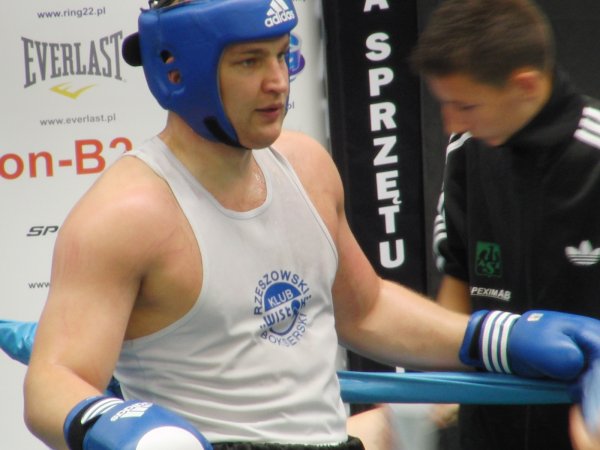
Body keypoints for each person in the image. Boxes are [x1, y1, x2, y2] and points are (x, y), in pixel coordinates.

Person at [21, 1, 600, 449]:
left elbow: (366, 309)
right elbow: (53, 380)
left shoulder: (305, 167)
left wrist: (494, 337)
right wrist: (118, 424)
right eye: (250, 61)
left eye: (282, 54)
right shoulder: (126, 213)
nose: (278, 81)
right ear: (179, 71)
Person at [409, 0, 600, 449]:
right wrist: (434, 393)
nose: (451, 122)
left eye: (465, 105)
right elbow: (458, 278)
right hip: (489, 428)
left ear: (525, 85)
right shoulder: (466, 149)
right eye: (444, 105)